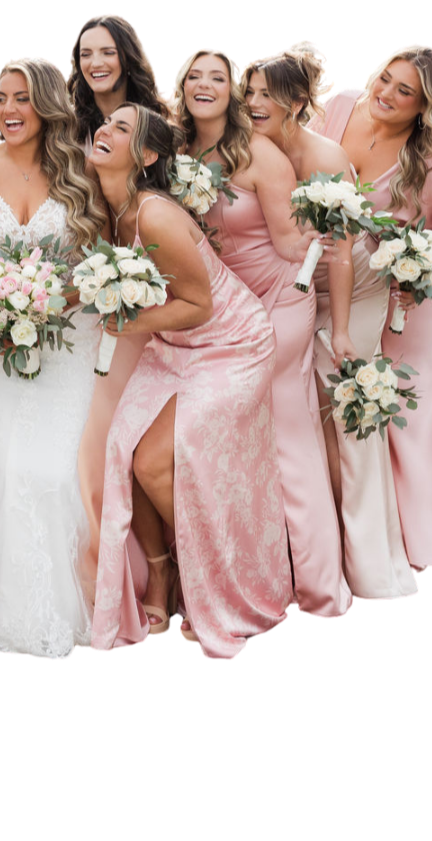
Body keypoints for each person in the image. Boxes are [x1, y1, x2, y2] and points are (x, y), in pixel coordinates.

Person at [90, 103, 292, 659]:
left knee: (156, 461)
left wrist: (127, 320)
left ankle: (209, 570)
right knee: (123, 449)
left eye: (123, 129)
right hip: (176, 346)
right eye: (106, 124)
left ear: (149, 155)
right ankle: (162, 574)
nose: (105, 130)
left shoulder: (153, 214)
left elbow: (200, 305)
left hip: (232, 345)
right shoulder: (106, 205)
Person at [0, 57, 106, 659]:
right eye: (0, 98)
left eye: (22, 99)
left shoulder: (82, 169)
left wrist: (46, 304)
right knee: (4, 464)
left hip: (67, 338)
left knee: (51, 469)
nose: (9, 111)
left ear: (48, 104)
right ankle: (0, 605)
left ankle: (55, 606)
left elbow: (99, 259)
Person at [180, 48, 350, 619]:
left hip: (278, 302)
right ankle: (259, 581)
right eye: (194, 77)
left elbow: (289, 244)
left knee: (290, 443)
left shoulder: (260, 154)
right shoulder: (179, 151)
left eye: (220, 79)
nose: (208, 87)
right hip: (223, 311)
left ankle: (324, 596)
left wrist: (330, 226)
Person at [246, 44, 415, 599]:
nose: (253, 102)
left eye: (265, 95)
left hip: (349, 291)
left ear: (296, 102)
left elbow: (341, 252)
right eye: (248, 92)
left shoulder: (321, 159)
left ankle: (362, 564)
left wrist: (339, 330)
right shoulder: (252, 149)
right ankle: (307, 556)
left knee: (340, 421)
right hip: (290, 290)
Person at [313, 44, 432, 571]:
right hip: (338, 275)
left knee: (411, 391)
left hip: (415, 287)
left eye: (403, 91)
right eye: (386, 78)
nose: (385, 93)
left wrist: (421, 281)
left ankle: (422, 540)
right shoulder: (340, 105)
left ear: (424, 108)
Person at [67, 13, 169, 605]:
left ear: (126, 56)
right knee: (100, 443)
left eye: (106, 52)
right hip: (90, 295)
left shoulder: (156, 122)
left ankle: (164, 569)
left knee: (138, 442)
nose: (96, 63)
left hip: (144, 293)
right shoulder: (71, 122)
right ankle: (124, 574)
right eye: (85, 55)